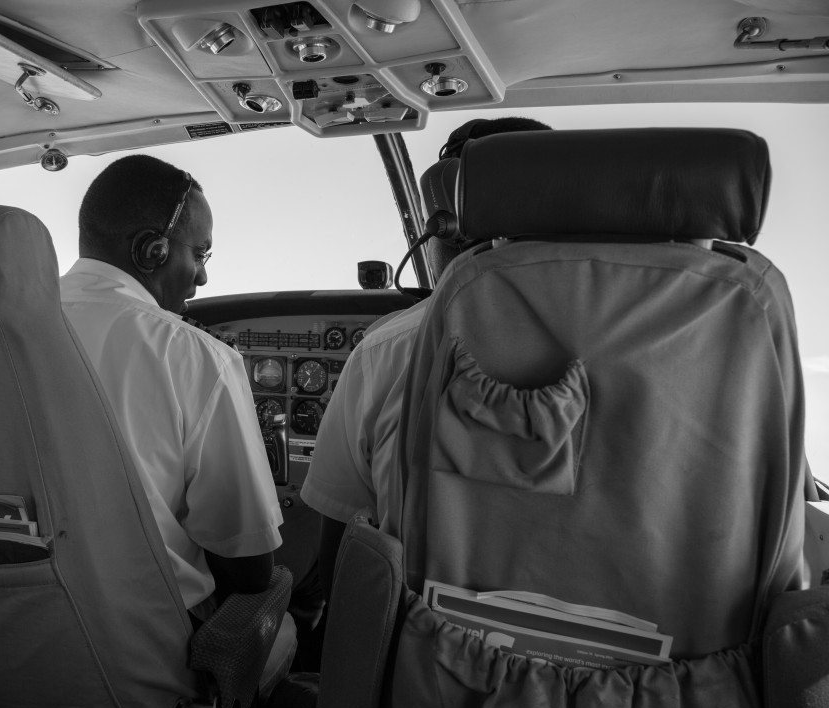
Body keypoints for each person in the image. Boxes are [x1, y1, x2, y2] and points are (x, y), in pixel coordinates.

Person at [300, 117, 552, 596]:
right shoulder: (690, 344)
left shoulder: (387, 350)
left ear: (450, 225)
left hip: (430, 648)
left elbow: (341, 544)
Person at [59, 155, 290, 650]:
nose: (202, 277)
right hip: (140, 649)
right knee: (285, 627)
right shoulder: (196, 356)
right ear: (152, 250)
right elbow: (249, 566)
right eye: (201, 254)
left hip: (10, 639)